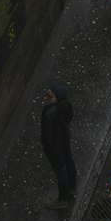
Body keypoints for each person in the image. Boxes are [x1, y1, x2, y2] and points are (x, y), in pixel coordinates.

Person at [40, 82, 76, 210]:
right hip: (65, 139)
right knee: (69, 161)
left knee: (60, 170)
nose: (48, 91)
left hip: (55, 146)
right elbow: (69, 117)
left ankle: (63, 199)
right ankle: (72, 187)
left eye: (51, 90)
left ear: (54, 97)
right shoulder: (65, 103)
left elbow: (47, 137)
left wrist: (48, 148)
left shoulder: (48, 115)